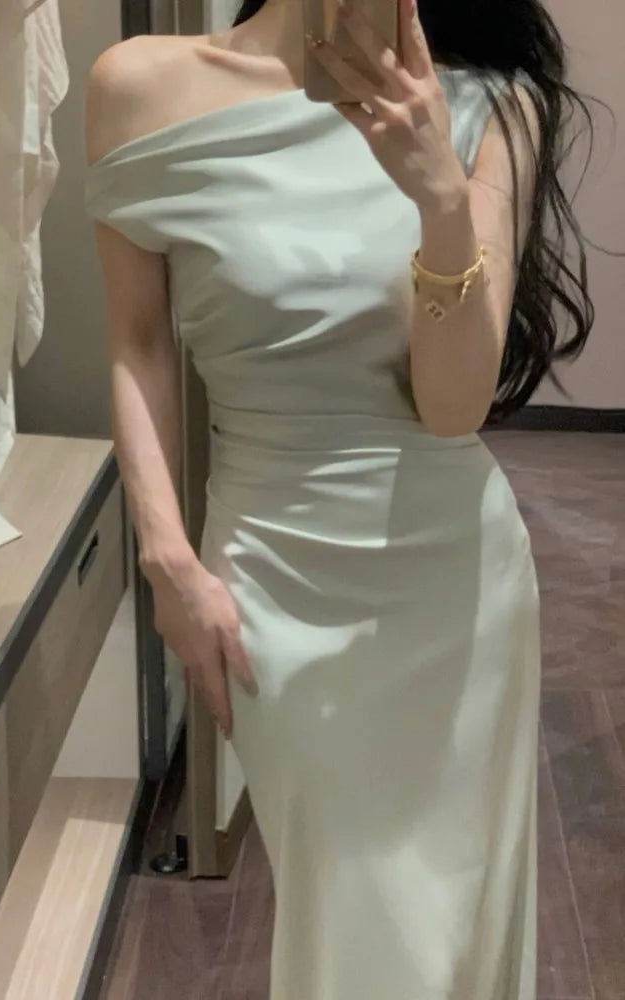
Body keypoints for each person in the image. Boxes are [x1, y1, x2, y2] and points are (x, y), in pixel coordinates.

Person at [84, 0, 593, 995]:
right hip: (272, 583)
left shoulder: (494, 105)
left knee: (447, 934)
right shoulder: (139, 87)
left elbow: (453, 409)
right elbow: (136, 343)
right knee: (353, 917)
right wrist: (164, 555)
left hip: (457, 594)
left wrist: (441, 197)